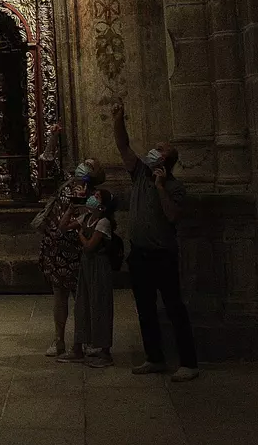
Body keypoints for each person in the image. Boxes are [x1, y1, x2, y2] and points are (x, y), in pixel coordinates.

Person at [111, 101, 199, 381]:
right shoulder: (139, 174)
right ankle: (155, 358)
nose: (153, 150)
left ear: (166, 161)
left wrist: (161, 188)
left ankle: (189, 363)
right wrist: (118, 119)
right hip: (140, 254)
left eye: (160, 149)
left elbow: (172, 216)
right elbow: (123, 146)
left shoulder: (175, 187)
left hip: (163, 255)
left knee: (174, 307)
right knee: (145, 309)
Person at [36, 159, 103, 359]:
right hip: (57, 248)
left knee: (82, 298)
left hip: (80, 248)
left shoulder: (95, 195)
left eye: (89, 165)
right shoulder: (65, 184)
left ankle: (85, 340)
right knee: (59, 295)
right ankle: (59, 340)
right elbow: (46, 160)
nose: (84, 166)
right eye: (84, 163)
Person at [68, 187, 117, 367]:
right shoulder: (87, 218)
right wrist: (70, 210)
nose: (92, 198)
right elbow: (63, 227)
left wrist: (80, 234)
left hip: (99, 265)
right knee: (82, 304)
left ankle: (104, 351)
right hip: (86, 266)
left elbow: (89, 246)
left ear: (103, 206)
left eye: (97, 197)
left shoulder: (103, 222)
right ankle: (79, 346)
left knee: (100, 304)